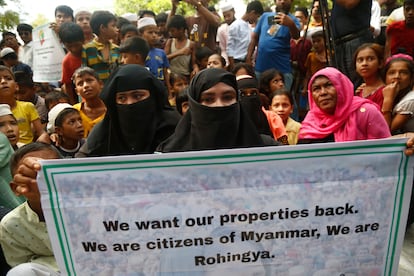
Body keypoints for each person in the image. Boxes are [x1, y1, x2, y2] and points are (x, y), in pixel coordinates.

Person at [157, 68, 278, 152]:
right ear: (195, 105)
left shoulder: (266, 148)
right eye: (208, 99)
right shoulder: (170, 155)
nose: (219, 105)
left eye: (227, 97)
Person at [76, 64, 179, 157]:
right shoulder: (105, 130)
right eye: (122, 98)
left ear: (153, 96)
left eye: (138, 96)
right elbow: (81, 163)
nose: (129, 103)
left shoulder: (175, 128)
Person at [0, 142, 61, 276]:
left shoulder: (91, 208)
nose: (44, 181)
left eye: (51, 172)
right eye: (32, 176)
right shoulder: (11, 225)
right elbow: (22, 265)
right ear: (16, 188)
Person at [298, 67, 391, 143]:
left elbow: (384, 150)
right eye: (316, 89)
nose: (323, 92)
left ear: (342, 86)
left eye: (328, 85)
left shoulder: (366, 112)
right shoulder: (311, 120)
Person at [246, 0, 300, 89]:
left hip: (282, 69)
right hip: (261, 68)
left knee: (282, 98)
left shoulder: (292, 20)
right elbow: (254, 38)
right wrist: (248, 58)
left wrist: (290, 24)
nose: (282, 2)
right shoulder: (265, 17)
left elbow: (296, 36)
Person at [331, 0, 374, 84]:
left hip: (355, 39)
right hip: (340, 43)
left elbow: (350, 3)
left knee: (357, 81)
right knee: (343, 83)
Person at [237, 74, 287, 144]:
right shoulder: (233, 120)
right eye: (242, 94)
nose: (249, 97)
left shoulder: (272, 118)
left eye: (253, 93)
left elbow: (284, 146)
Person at [0, 65, 45, 144]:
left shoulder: (27, 106)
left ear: (16, 86)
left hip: (27, 150)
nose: (3, 81)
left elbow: (41, 133)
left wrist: (43, 139)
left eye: (8, 78)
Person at [82, 10, 119, 83]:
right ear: (102, 28)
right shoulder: (88, 49)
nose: (117, 29)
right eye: (113, 26)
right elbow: (84, 73)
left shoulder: (116, 49)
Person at [381, 54, 414, 134]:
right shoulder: (389, 93)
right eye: (392, 73)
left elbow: (386, 131)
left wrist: (388, 101)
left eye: (403, 73)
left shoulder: (410, 100)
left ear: (411, 78)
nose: (397, 76)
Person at [227, 0, 264, 71]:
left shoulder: (249, 26)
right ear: (252, 13)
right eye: (257, 16)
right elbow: (230, 49)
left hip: (247, 62)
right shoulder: (235, 26)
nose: (257, 19)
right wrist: (233, 67)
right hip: (237, 62)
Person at [138, 17, 172, 93]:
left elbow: (165, 72)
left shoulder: (161, 52)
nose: (154, 35)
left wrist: (169, 90)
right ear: (141, 34)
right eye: (150, 32)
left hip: (160, 89)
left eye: (156, 33)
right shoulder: (138, 53)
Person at [72, 67, 106, 138]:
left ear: (101, 84)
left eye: (89, 80)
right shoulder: (73, 111)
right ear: (77, 91)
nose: (86, 86)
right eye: (80, 84)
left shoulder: (113, 109)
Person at [58, 22, 85, 104]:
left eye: (77, 45)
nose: (74, 49)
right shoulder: (67, 61)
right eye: (69, 46)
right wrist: (73, 103)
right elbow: (68, 85)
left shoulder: (91, 52)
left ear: (83, 40)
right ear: (62, 43)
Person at [165, 14, 197, 79]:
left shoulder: (191, 44)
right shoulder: (170, 42)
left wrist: (196, 68)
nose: (171, 33)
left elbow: (194, 63)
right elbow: (164, 58)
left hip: (185, 76)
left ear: (181, 29)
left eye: (173, 31)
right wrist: (180, 52)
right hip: (171, 76)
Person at [354, 43, 385, 108]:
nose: (364, 64)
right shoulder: (359, 91)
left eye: (370, 59)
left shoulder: (384, 92)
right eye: (360, 60)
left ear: (380, 63)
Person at [216, 2, 236, 67]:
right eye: (225, 16)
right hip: (227, 61)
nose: (227, 18)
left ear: (233, 12)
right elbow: (223, 49)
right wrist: (226, 63)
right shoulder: (221, 29)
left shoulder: (242, 26)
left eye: (228, 15)